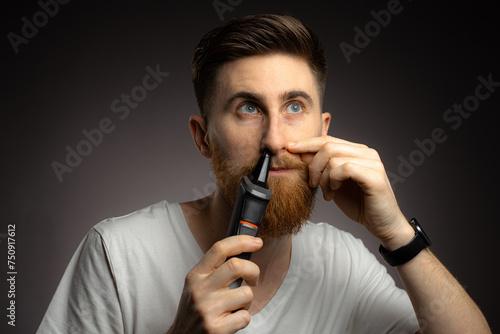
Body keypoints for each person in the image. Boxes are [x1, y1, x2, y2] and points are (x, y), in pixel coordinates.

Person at [37, 14, 491, 334]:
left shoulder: (342, 263)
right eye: (248, 108)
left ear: (323, 129)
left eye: (295, 107)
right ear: (202, 137)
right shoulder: (117, 254)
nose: (274, 140)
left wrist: (397, 233)